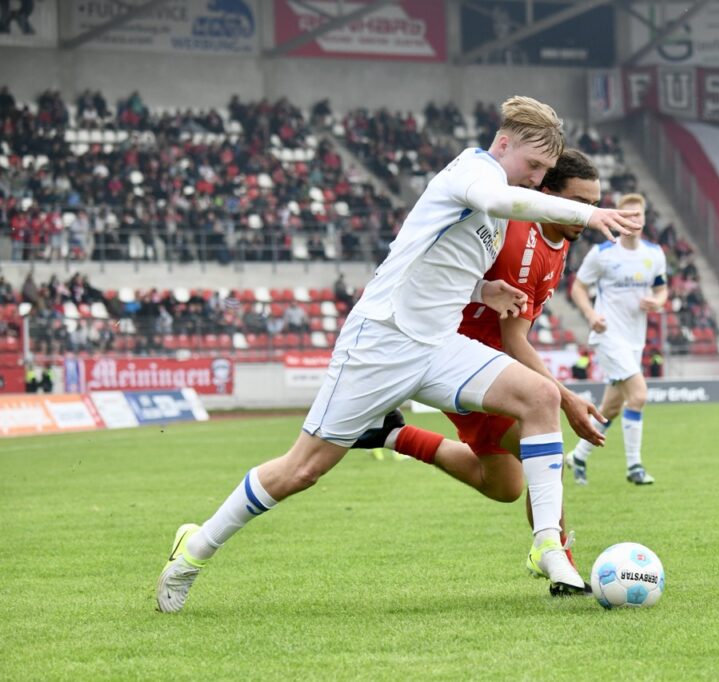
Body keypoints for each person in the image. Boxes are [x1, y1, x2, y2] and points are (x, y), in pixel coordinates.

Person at [155, 95, 642, 613]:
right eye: (534, 166)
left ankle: (549, 544)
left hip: (437, 345)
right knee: (301, 471)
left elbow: (430, 262)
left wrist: (483, 291)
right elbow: (499, 202)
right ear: (503, 144)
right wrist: (589, 213)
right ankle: (195, 548)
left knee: (540, 396)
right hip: (381, 342)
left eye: (546, 170)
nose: (537, 178)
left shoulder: (503, 198)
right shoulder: (473, 172)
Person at [377, 149, 607, 588]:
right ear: (547, 195)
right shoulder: (517, 235)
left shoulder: (557, 247)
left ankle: (392, 434)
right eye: (578, 203)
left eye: (593, 205)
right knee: (544, 449)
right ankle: (560, 560)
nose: (587, 215)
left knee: (503, 485)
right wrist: (569, 399)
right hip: (458, 362)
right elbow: (512, 339)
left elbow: (514, 332)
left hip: (489, 365)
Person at [567, 193, 668, 486]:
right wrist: (590, 315)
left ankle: (578, 457)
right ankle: (634, 466)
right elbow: (578, 288)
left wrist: (658, 301)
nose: (634, 221)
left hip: (635, 338)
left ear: (645, 218)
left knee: (611, 407)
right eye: (629, 216)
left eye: (639, 215)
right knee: (638, 395)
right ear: (619, 218)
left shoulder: (654, 254)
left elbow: (662, 289)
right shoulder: (603, 253)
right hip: (608, 334)